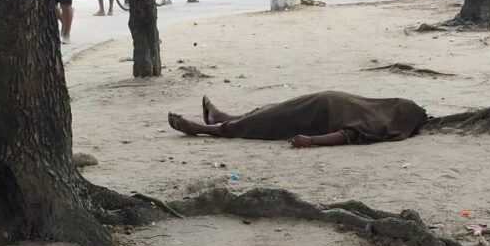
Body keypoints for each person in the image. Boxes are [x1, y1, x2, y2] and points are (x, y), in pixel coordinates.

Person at [168, 91, 428, 148]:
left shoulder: (377, 124)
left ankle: (208, 129)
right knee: (271, 111)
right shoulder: (377, 111)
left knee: (270, 120)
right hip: (321, 102)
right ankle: (224, 118)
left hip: (315, 114)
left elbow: (346, 136)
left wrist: (311, 141)